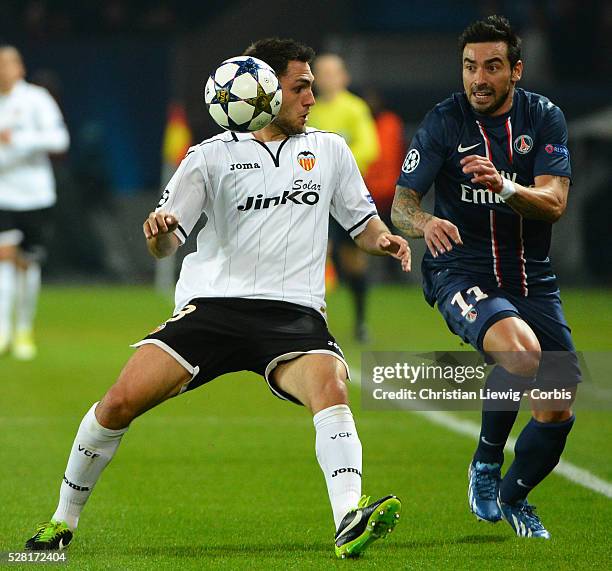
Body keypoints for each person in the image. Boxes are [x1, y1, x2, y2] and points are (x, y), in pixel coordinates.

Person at [25, 38, 410, 558]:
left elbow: (362, 224)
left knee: (331, 386)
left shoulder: (330, 151)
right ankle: (60, 523)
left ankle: (348, 519)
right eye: (301, 88)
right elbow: (165, 246)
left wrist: (383, 239)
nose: (311, 99)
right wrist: (157, 230)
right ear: (265, 91)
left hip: (292, 315)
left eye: (312, 88)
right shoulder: (210, 157)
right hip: (213, 309)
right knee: (117, 402)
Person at [391, 15, 578, 539]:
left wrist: (505, 188)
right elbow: (401, 205)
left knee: (557, 406)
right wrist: (426, 222)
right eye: (470, 66)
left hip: (531, 277)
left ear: (515, 71)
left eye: (492, 67)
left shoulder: (544, 118)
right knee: (520, 355)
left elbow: (555, 203)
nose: (478, 78)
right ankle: (487, 460)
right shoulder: (444, 121)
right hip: (460, 269)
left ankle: (515, 497)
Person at [0, 45, 69, 359]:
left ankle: (24, 328)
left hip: (35, 195)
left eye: (7, 64)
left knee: (27, 264)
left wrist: (20, 141)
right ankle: (3, 330)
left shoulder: (36, 100)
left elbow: (59, 139)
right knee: (3, 258)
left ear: (20, 68)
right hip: (3, 195)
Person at [308, 54, 380, 342]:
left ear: (344, 77)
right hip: (315, 197)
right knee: (313, 257)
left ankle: (361, 322)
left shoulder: (354, 108)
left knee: (354, 263)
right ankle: (312, 321)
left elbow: (370, 146)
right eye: (320, 73)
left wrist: (337, 164)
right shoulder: (309, 110)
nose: (326, 78)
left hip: (348, 197)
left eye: (331, 72)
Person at [363, 89, 405, 281]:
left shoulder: (390, 122)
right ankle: (366, 274)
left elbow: (398, 154)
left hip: (388, 189)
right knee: (368, 230)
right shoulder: (363, 123)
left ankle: (395, 271)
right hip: (369, 189)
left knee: (389, 229)